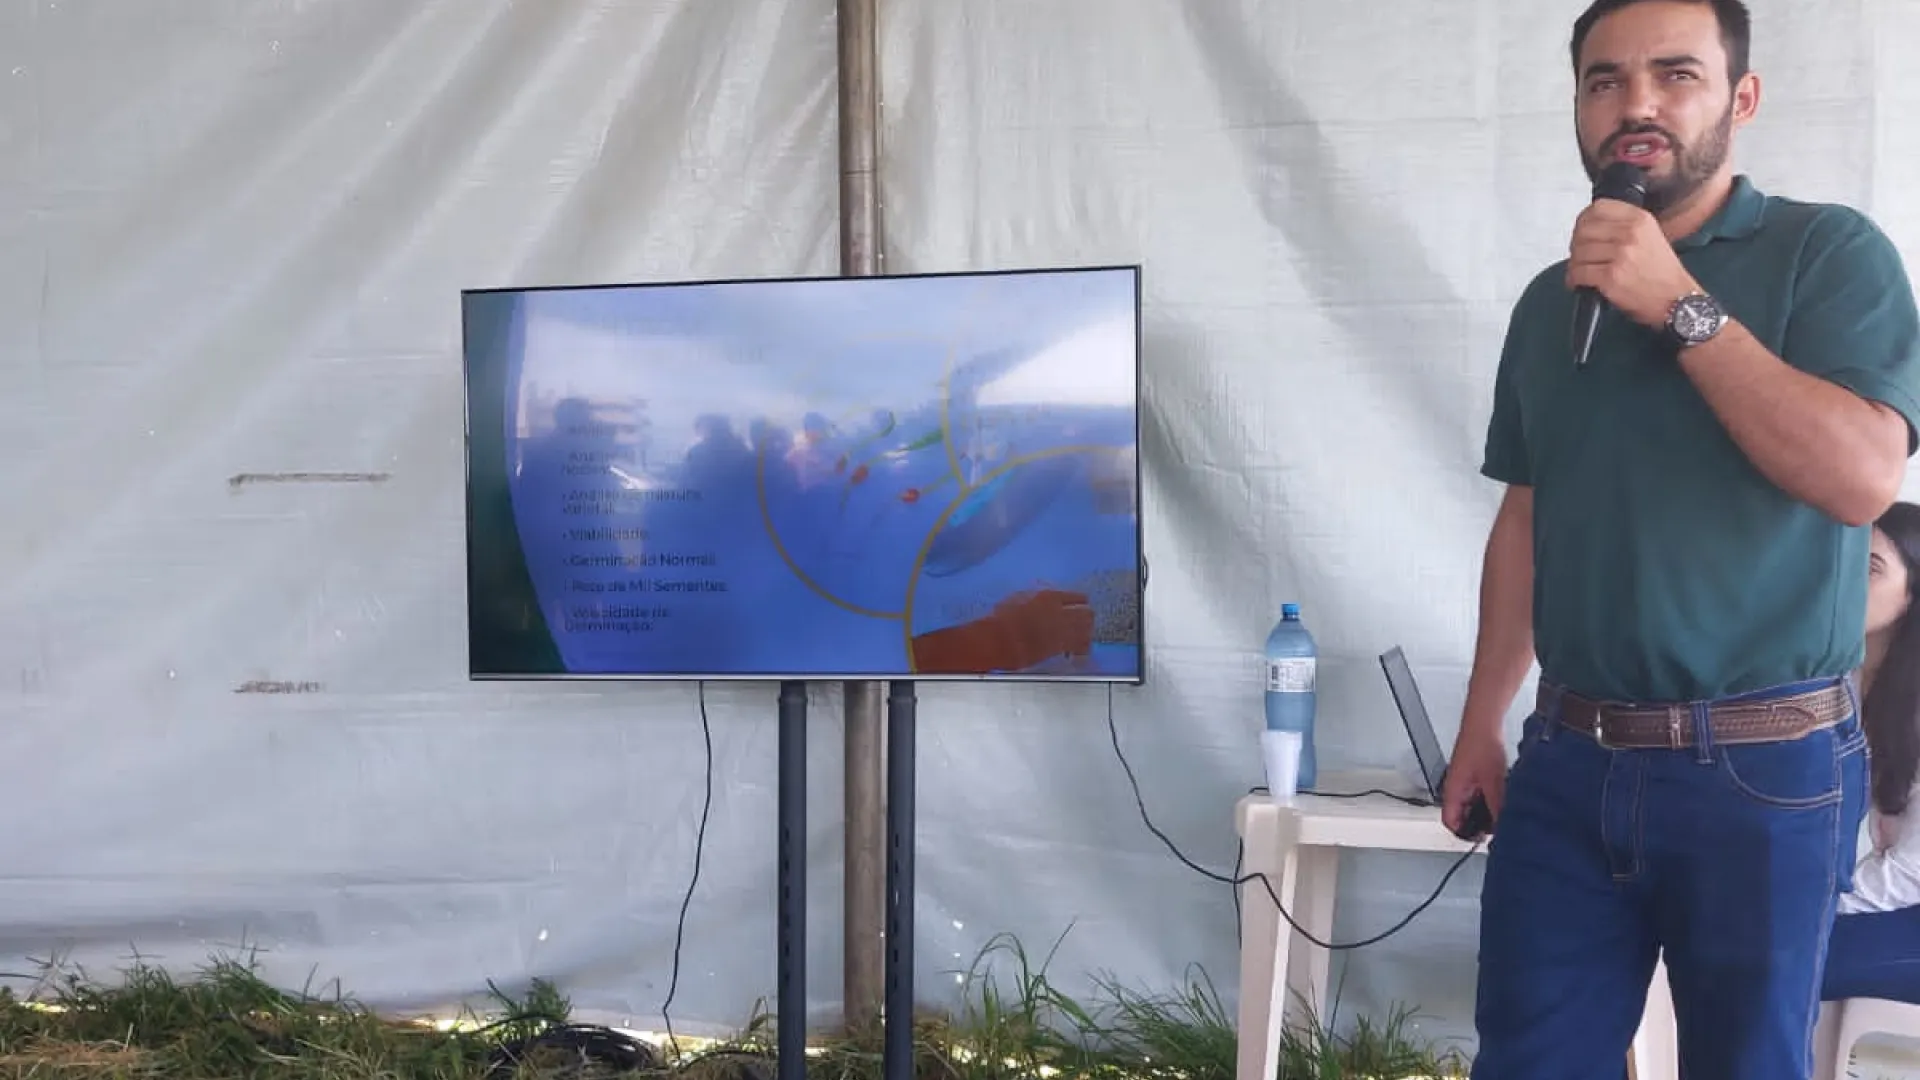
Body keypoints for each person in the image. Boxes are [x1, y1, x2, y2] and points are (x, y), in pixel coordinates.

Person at [1437, 0, 1920, 1077]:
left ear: (1742, 99)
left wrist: (1681, 305)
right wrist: (1480, 724)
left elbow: (1861, 479)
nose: (1637, 105)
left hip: (1766, 768)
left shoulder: (1828, 253)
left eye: (1676, 74)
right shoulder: (1549, 304)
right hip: (1568, 758)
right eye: (1604, 80)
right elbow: (1528, 517)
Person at [1824, 503, 1920, 1003]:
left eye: (1871, 568)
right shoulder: (1830, 676)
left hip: (1908, 900)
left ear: (1912, 597)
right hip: (1868, 884)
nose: (1844, 577)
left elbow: (1910, 872)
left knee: (1786, 967)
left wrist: (1812, 904)